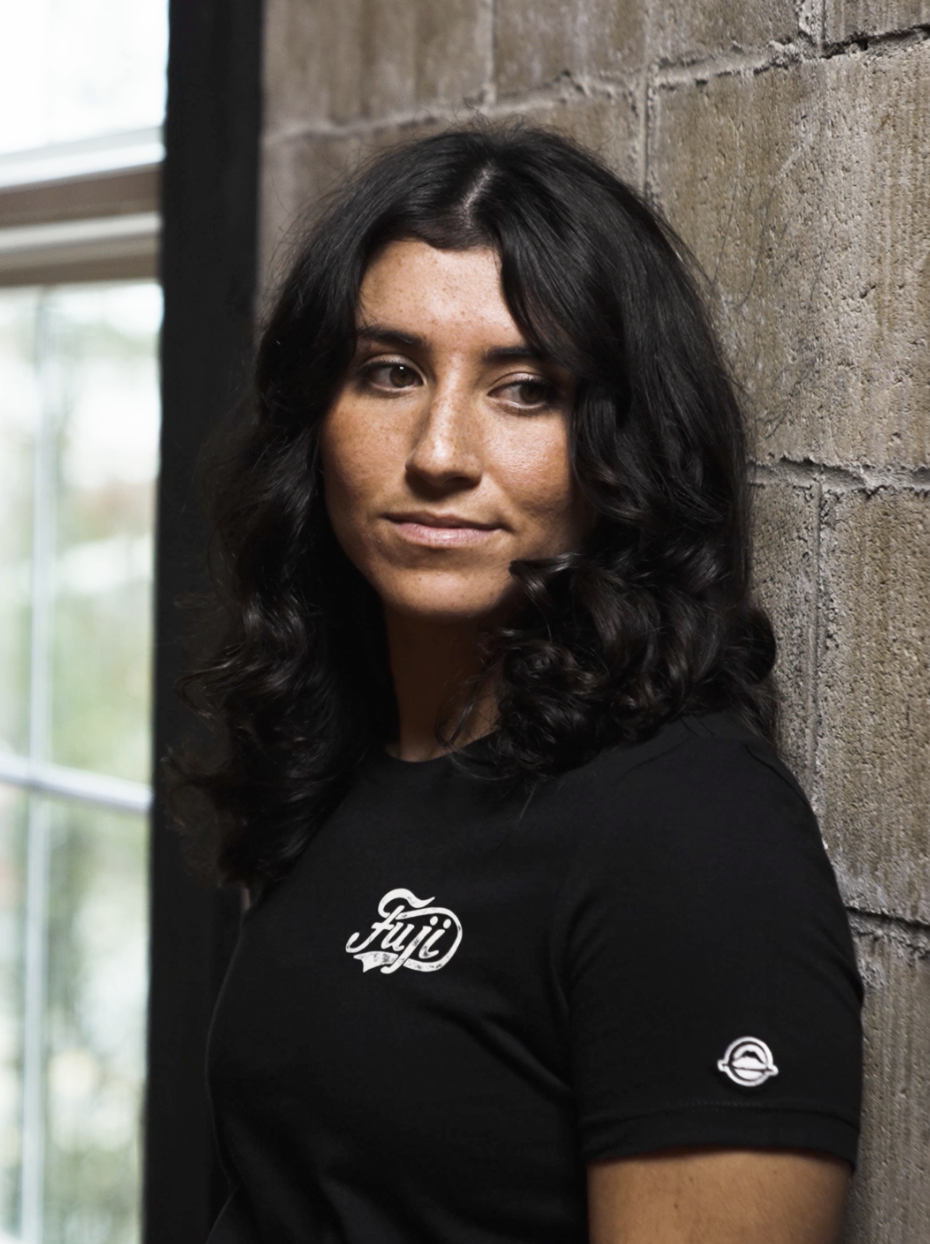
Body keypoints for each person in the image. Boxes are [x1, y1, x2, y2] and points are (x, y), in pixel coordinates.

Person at [178, 122, 862, 1244]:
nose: (440, 449)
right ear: (317, 415)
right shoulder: (349, 750)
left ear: (621, 446)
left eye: (527, 388)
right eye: (389, 373)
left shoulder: (690, 832)